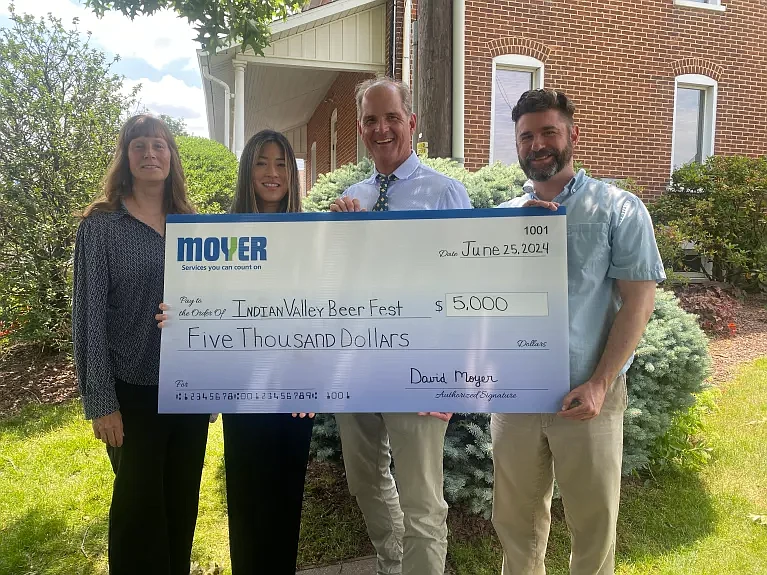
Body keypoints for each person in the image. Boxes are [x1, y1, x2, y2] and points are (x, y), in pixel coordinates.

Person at [491, 89, 665, 575]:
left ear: (572, 135)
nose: (537, 144)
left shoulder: (619, 208)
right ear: (518, 145)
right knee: (515, 526)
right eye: (527, 136)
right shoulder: (500, 218)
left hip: (588, 395)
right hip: (516, 397)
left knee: (593, 527)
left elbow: (639, 300)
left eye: (549, 132)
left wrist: (601, 382)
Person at [330, 76, 472, 575]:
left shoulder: (445, 193)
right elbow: (334, 288)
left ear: (411, 122)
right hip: (356, 369)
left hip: (420, 369)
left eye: (392, 117)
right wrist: (334, 236)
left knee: (423, 500)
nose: (381, 128)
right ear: (362, 129)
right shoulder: (351, 198)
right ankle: (394, 566)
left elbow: (467, 290)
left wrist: (456, 376)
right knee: (365, 482)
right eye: (371, 120)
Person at [156, 129, 313, 575]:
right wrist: (180, 318)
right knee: (246, 499)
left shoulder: (311, 234)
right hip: (242, 389)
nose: (272, 173)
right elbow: (206, 301)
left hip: (295, 391)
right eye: (262, 162)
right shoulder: (219, 234)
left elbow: (327, 309)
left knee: (286, 502)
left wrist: (314, 384)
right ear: (248, 170)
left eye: (282, 163)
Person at [72, 114, 210, 575]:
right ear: (126, 157)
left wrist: (214, 387)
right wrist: (101, 402)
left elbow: (217, 306)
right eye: (139, 146)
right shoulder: (102, 226)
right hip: (131, 390)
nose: (150, 153)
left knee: (181, 504)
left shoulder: (193, 227)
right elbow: (87, 315)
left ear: (171, 157)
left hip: (188, 389)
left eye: (159, 145)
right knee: (137, 511)